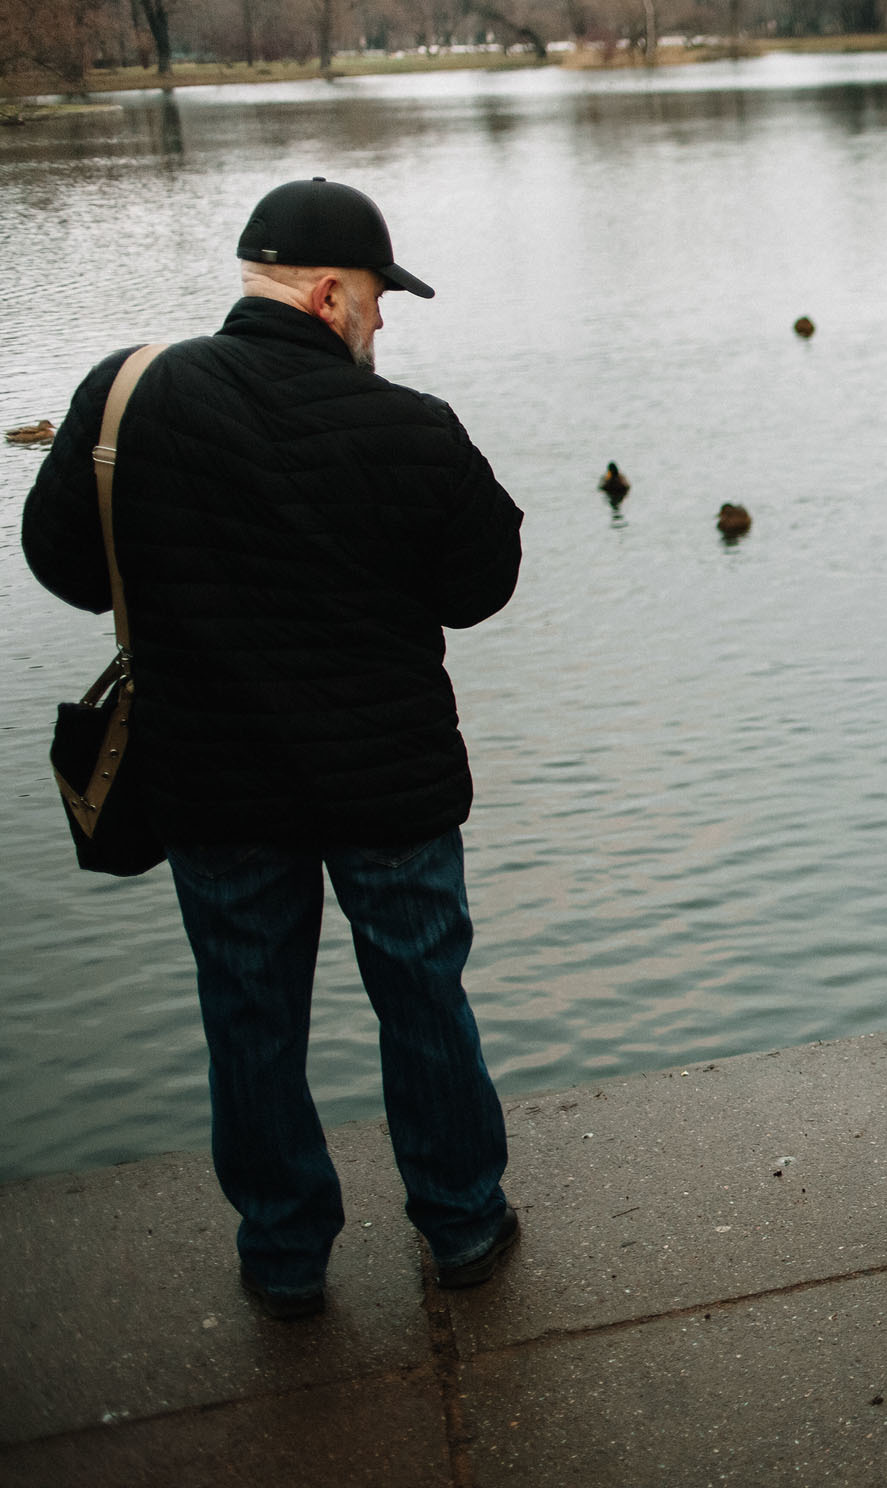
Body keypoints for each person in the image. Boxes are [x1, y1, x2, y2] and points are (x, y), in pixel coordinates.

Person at [21, 178, 524, 1319]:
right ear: (330, 292)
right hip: (387, 785)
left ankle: (286, 1251)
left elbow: (60, 563)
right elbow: (482, 584)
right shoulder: (408, 424)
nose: (384, 323)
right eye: (380, 300)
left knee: (247, 1011)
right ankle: (462, 1224)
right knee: (423, 999)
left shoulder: (129, 391)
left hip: (212, 778)